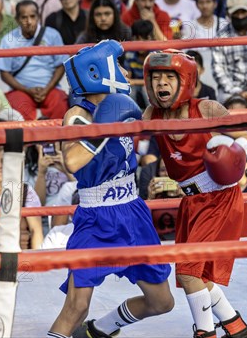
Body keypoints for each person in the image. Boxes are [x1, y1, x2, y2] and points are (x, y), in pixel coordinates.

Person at [48, 40, 174, 338]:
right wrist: (103, 127)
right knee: (76, 307)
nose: (121, 70)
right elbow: (72, 161)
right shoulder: (78, 113)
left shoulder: (123, 105)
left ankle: (100, 330)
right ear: (96, 71)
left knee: (162, 301)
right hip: (97, 219)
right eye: (115, 64)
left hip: (133, 211)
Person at [143, 50, 247, 338]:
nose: (161, 83)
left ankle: (205, 334)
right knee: (198, 275)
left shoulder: (206, 109)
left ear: (186, 80)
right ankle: (238, 329)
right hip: (192, 202)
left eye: (169, 76)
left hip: (220, 197)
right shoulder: (150, 114)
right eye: (156, 77)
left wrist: (232, 157)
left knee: (188, 271)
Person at [0, 0, 68, 121]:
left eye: (32, 16)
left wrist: (47, 89)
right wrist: (27, 90)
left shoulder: (53, 35)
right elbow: (4, 73)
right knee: (18, 113)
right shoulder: (8, 40)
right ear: (17, 19)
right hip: (20, 90)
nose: (29, 21)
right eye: (24, 17)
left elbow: (61, 65)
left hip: (51, 88)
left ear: (39, 17)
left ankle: (56, 140)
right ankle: (30, 140)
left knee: (61, 106)